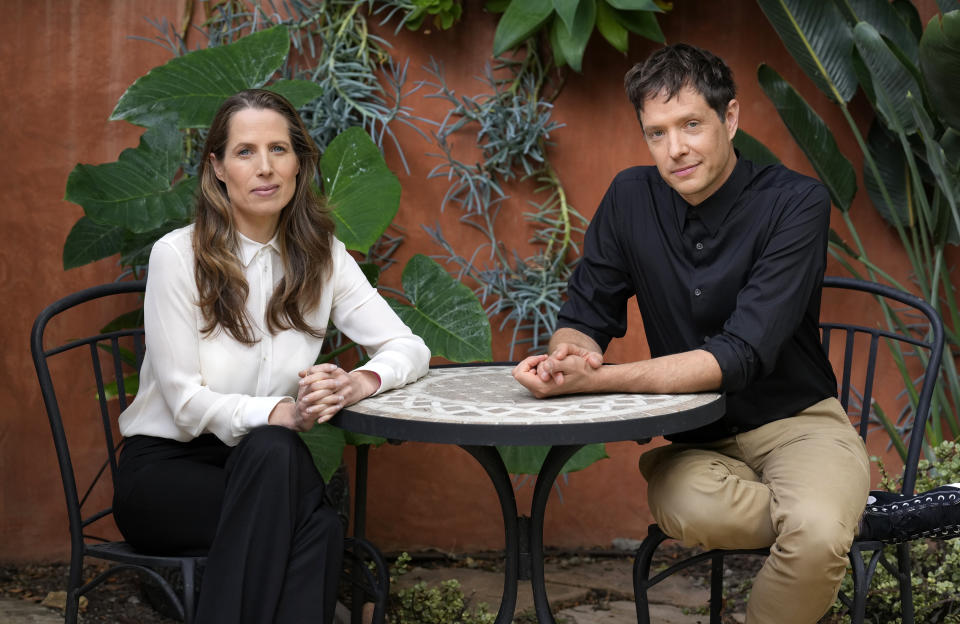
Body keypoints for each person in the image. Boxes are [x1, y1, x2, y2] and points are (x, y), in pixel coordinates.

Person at [512, 44, 870, 623]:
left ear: (730, 118)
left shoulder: (796, 202)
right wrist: (566, 359)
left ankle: (818, 515)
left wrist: (597, 384)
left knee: (816, 536)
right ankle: (818, 510)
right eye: (656, 133)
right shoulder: (630, 197)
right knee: (727, 513)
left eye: (691, 125)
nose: (675, 149)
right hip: (697, 440)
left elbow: (740, 354)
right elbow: (586, 314)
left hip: (798, 427)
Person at [113, 89, 430, 623]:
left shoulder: (321, 256)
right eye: (245, 152)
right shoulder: (177, 256)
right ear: (216, 167)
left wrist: (360, 382)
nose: (266, 168)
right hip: (168, 476)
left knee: (277, 460)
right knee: (301, 494)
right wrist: (283, 413)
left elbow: (408, 347)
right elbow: (186, 403)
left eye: (279, 150)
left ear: (300, 163)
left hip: (263, 466)